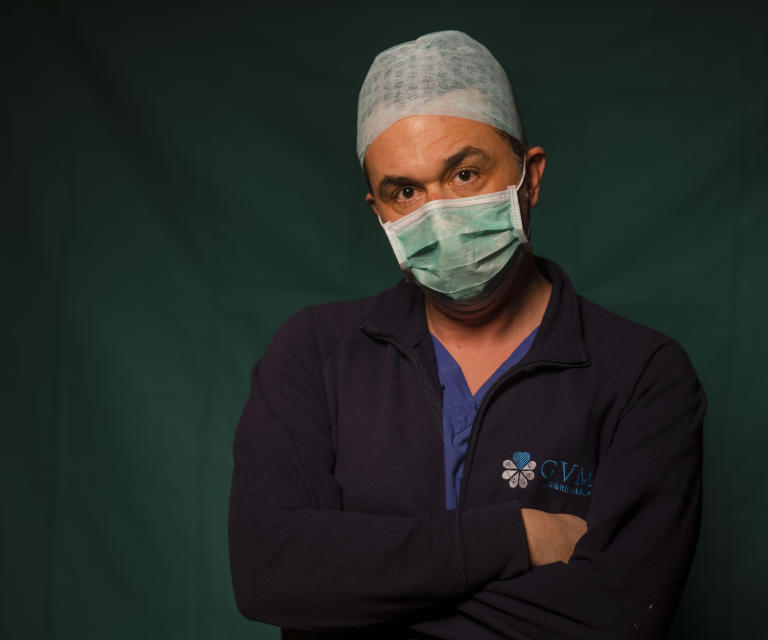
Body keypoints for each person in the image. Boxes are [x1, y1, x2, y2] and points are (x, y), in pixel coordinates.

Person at [228, 30, 706, 639]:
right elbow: (269, 571)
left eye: (465, 174)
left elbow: (618, 618)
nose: (439, 213)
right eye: (405, 191)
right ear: (377, 211)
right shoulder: (316, 355)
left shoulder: (642, 375)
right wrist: (518, 536)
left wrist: (361, 593)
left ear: (529, 178)